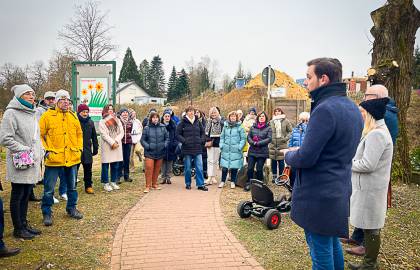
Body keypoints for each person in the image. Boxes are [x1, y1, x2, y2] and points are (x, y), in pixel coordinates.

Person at [283, 58, 363, 269]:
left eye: (309, 77)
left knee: (320, 253)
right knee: (331, 243)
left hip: (318, 195)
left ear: (323, 79)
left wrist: (289, 155)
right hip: (338, 190)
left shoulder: (324, 109)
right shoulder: (353, 108)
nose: (305, 82)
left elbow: (307, 157)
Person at [343, 84, 399, 257]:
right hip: (370, 185)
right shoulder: (377, 130)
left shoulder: (378, 133)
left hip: (372, 186)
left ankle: (369, 263)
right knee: (369, 222)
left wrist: (348, 163)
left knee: (372, 225)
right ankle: (367, 258)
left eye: (363, 113)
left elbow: (368, 164)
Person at [0, 84, 42, 238]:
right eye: (27, 94)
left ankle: (24, 224)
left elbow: (36, 137)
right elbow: (5, 138)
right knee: (18, 194)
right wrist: (24, 149)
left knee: (26, 193)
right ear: (18, 96)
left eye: (33, 93)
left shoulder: (32, 112)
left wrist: (41, 151)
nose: (32, 96)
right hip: (20, 160)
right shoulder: (11, 113)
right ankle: (18, 228)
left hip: (32, 160)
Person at [39, 89, 84, 226]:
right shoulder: (47, 116)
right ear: (57, 101)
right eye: (62, 99)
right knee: (49, 189)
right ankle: (47, 212)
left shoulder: (73, 116)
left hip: (72, 158)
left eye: (68, 100)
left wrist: (79, 149)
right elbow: (40, 135)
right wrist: (46, 151)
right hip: (54, 159)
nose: (66, 102)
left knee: (72, 187)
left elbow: (79, 134)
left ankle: (71, 208)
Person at [176, 106, 208, 191]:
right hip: (187, 148)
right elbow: (177, 134)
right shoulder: (182, 122)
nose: (191, 112)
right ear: (186, 113)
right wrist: (184, 141)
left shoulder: (198, 122)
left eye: (192, 111)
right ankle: (188, 183)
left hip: (198, 148)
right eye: (189, 111)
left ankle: (200, 184)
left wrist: (201, 140)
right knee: (187, 168)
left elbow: (203, 133)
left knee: (199, 167)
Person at [141, 112, 169, 193]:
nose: (155, 119)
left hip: (160, 152)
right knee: (149, 168)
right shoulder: (147, 128)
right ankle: (147, 186)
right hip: (149, 152)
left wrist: (164, 145)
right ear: (151, 119)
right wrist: (148, 146)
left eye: (156, 117)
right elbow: (142, 140)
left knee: (157, 169)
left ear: (159, 118)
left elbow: (167, 138)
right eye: (153, 117)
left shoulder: (163, 127)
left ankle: (154, 184)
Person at [99, 104, 124, 192]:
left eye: (112, 109)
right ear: (105, 110)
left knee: (115, 165)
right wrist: (112, 142)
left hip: (117, 145)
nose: (110, 111)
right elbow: (103, 134)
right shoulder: (102, 121)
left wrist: (116, 141)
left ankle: (113, 181)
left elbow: (121, 132)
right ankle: (106, 183)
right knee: (105, 165)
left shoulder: (117, 120)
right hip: (107, 146)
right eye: (108, 109)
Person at [245, 111, 272, 191]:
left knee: (259, 169)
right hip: (252, 151)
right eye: (260, 116)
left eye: (263, 116)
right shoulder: (253, 127)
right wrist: (252, 142)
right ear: (258, 118)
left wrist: (258, 143)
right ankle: (248, 183)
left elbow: (269, 138)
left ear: (265, 118)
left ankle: (260, 185)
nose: (261, 118)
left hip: (262, 152)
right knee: (250, 168)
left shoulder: (268, 128)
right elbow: (249, 136)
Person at [219, 111, 246, 189]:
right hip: (226, 149)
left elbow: (243, 138)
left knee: (234, 167)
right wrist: (221, 145)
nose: (233, 117)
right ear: (229, 117)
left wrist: (239, 147)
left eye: (234, 116)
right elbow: (222, 137)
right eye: (231, 116)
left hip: (236, 150)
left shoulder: (240, 126)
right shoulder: (225, 126)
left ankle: (233, 182)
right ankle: (222, 181)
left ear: (236, 117)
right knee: (224, 167)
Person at [76, 104, 99, 194]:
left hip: (87, 149)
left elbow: (94, 136)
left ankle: (88, 186)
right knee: (75, 169)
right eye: (83, 112)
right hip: (77, 149)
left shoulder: (91, 122)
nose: (85, 114)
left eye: (86, 112)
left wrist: (96, 147)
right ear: (79, 112)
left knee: (88, 169)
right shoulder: (75, 121)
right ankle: (72, 186)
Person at [268, 107, 293, 183]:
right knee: (273, 161)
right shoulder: (271, 121)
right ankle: (274, 176)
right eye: (276, 111)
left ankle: (281, 177)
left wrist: (285, 139)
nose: (277, 112)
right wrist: (270, 139)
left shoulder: (286, 121)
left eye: (279, 111)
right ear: (274, 113)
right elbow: (268, 131)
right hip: (273, 144)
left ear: (281, 112)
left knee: (281, 161)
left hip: (282, 143)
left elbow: (290, 131)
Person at [288, 111, 310, 187]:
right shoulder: (295, 130)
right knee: (293, 176)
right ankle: (292, 192)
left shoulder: (310, 130)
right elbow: (290, 142)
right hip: (295, 156)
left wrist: (305, 126)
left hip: (305, 157)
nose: (304, 122)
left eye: (306, 121)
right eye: (302, 120)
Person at [205, 107, 223, 185]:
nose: (213, 114)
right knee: (210, 160)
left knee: (215, 161)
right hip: (210, 143)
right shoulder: (209, 121)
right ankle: (210, 176)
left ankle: (213, 176)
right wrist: (208, 139)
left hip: (218, 143)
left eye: (214, 112)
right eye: (212, 113)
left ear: (217, 113)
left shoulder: (221, 122)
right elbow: (206, 132)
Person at [160, 109, 178, 184]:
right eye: (166, 116)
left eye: (168, 116)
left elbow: (176, 136)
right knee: (163, 163)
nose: (167, 117)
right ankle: (163, 177)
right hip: (162, 146)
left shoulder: (173, 125)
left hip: (171, 146)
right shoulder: (160, 125)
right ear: (163, 117)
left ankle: (168, 177)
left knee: (170, 163)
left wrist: (174, 144)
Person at [117, 108, 133, 182]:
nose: (125, 114)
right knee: (120, 159)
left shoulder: (130, 121)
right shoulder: (118, 121)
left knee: (127, 159)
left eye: (126, 112)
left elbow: (130, 131)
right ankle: (119, 176)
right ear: (120, 114)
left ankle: (126, 176)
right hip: (121, 142)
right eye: (123, 112)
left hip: (128, 142)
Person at [195, 110, 208, 179]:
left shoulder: (204, 122)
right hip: (196, 142)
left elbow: (205, 132)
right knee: (197, 159)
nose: (196, 114)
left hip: (203, 142)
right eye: (195, 112)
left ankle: (205, 172)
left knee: (204, 158)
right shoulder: (194, 121)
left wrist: (202, 140)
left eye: (198, 112)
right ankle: (198, 173)